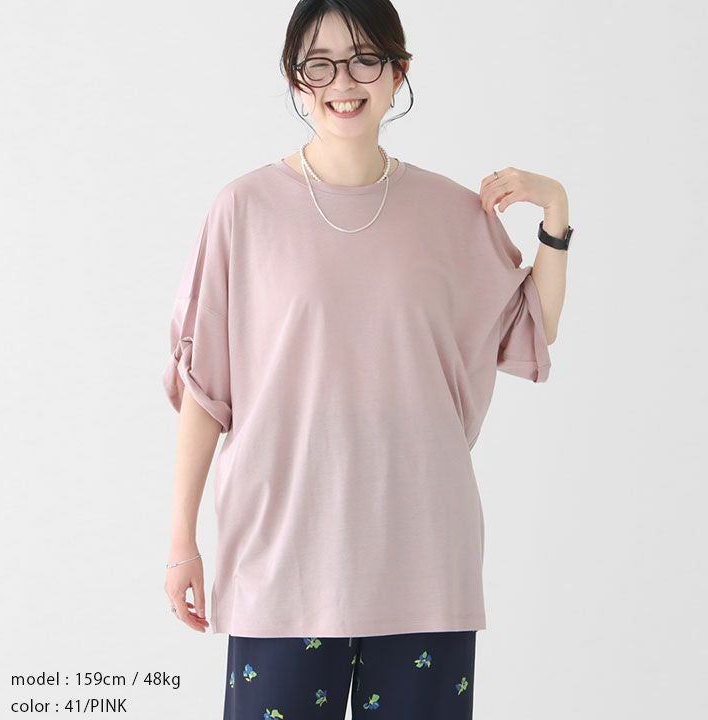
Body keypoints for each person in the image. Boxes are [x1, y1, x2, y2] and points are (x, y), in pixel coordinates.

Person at [162, 1, 572, 718]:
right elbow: (206, 390)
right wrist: (181, 543)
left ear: (398, 71)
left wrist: (556, 213)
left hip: (423, 562)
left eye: (363, 59)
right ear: (295, 79)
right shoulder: (243, 210)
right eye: (318, 64)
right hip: (280, 561)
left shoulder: (451, 211)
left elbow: (529, 328)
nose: (342, 82)